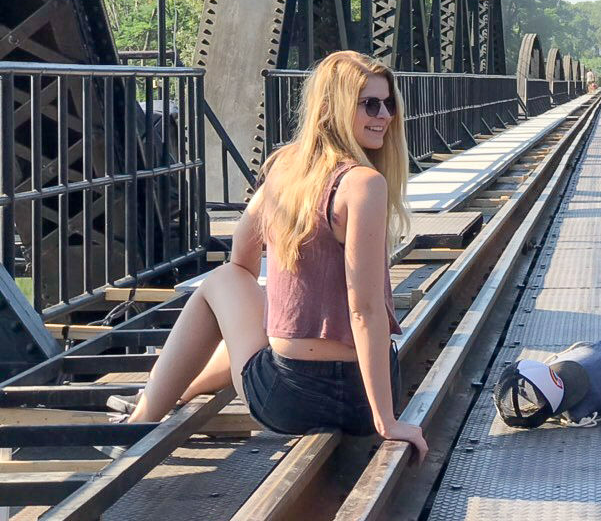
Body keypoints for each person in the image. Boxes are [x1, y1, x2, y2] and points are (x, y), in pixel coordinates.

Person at [124, 50, 428, 457]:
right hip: (361, 401)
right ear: (334, 108)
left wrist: (278, 313)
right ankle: (186, 388)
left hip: (289, 398)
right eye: (370, 103)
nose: (385, 115)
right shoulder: (365, 184)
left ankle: (140, 420)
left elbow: (243, 259)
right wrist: (384, 418)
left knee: (225, 281)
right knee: (255, 304)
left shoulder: (286, 169)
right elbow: (366, 311)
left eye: (389, 103)